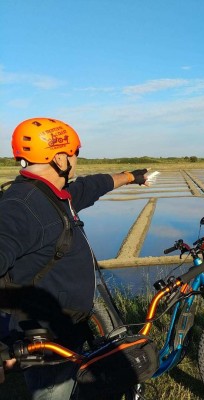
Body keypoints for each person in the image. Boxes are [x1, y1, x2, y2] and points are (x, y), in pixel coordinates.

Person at [0, 117, 150, 399]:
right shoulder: (20, 208)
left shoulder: (53, 195)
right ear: (59, 158)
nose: (76, 159)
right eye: (74, 153)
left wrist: (131, 176)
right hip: (43, 344)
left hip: (66, 331)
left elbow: (91, 186)